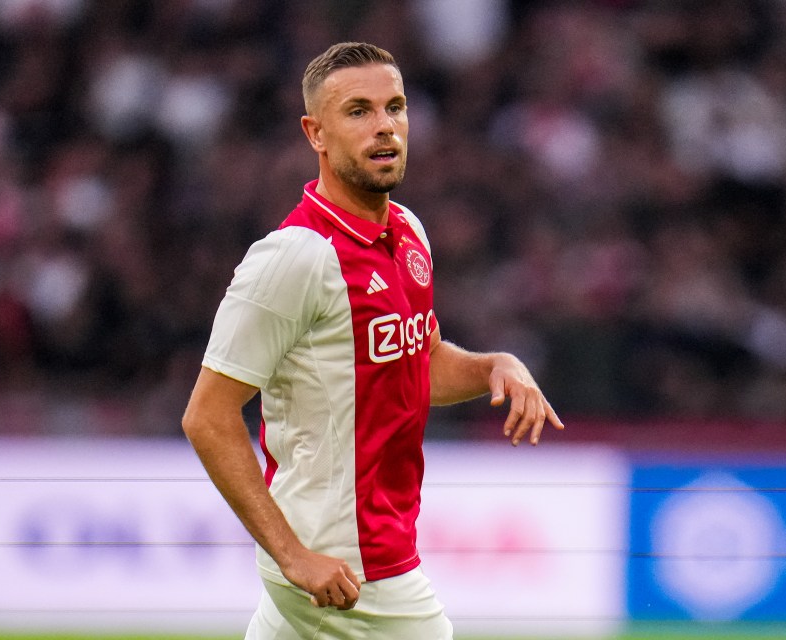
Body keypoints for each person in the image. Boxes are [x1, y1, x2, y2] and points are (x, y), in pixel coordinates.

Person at [181, 42, 564, 640]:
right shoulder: (295, 257)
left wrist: (496, 365)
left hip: (363, 547)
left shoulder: (407, 231)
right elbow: (207, 416)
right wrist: (294, 556)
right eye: (358, 111)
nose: (385, 126)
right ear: (316, 133)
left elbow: (418, 363)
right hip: (345, 565)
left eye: (396, 107)